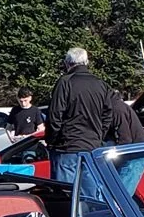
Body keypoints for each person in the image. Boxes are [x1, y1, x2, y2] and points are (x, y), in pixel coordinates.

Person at [46, 47, 117, 188]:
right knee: (94, 197)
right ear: (87, 62)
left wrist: (52, 140)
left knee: (67, 196)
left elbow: (55, 116)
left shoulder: (65, 82)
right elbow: (108, 114)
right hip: (92, 148)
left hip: (67, 147)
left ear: (67, 63)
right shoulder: (101, 84)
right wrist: (98, 136)